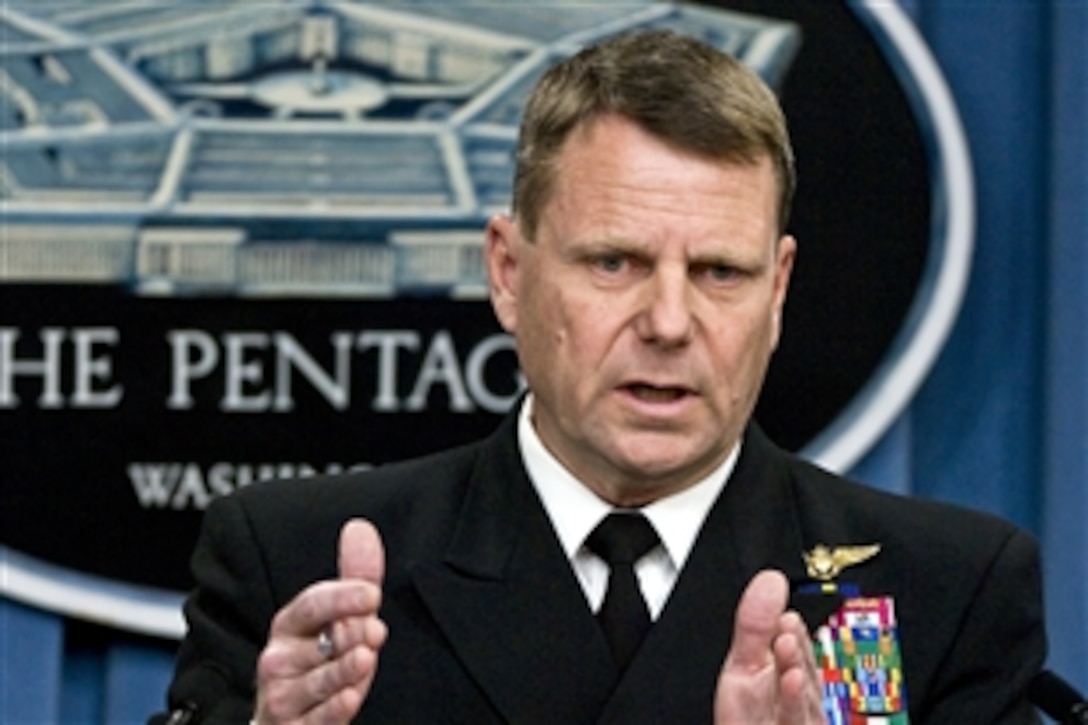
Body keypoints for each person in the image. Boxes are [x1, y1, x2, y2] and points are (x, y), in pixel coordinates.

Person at [158, 29, 1046, 723]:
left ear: (777, 290)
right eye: (615, 262)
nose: (668, 323)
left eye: (718, 273)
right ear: (508, 270)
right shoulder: (299, 570)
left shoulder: (940, 588)